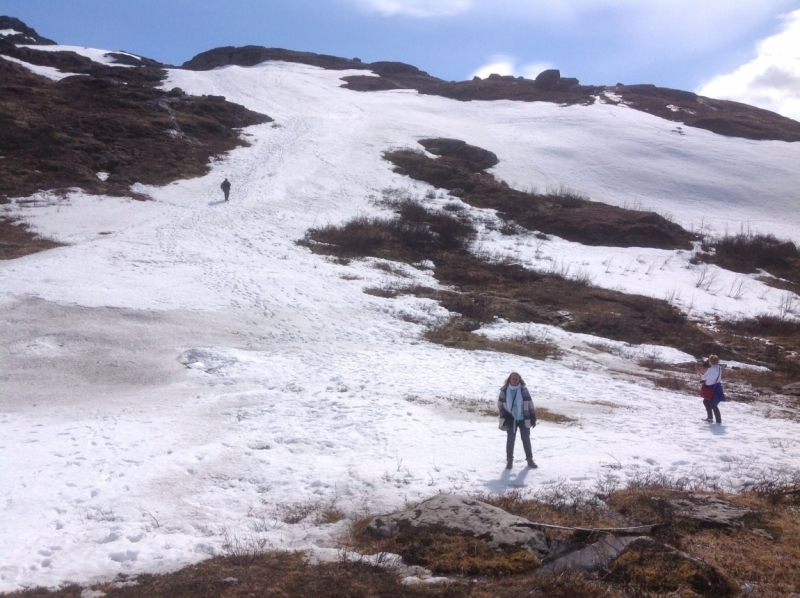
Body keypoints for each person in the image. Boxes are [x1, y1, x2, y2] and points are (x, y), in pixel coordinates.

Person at [498, 372, 537, 469]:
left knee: (526, 439)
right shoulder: (504, 390)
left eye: (516, 379)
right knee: (510, 440)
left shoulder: (523, 390)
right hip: (511, 420)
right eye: (513, 379)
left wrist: (533, 416)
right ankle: (509, 460)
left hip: (524, 419)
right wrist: (505, 414)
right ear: (509, 379)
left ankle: (530, 460)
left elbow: (530, 403)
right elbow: (500, 404)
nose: (514, 380)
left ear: (519, 379)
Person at [696, 354, 724, 424]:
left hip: (710, 388)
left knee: (709, 403)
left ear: (710, 361)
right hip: (717, 387)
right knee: (712, 403)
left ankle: (715, 420)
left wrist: (699, 373)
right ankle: (714, 419)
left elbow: (704, 377)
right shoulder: (719, 368)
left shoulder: (711, 369)